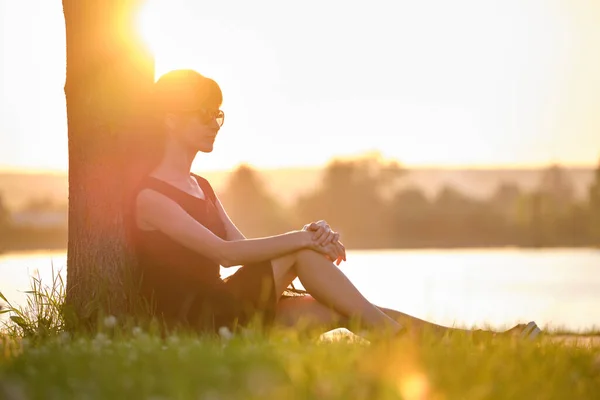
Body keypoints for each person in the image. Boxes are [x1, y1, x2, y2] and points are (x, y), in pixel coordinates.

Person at [129, 68, 541, 341]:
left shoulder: (200, 185)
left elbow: (244, 251)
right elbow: (224, 254)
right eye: (201, 113)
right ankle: (407, 346)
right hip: (195, 322)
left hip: (229, 309)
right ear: (169, 118)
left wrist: (304, 237)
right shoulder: (151, 196)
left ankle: (478, 342)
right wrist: (304, 240)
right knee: (310, 261)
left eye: (216, 114)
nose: (212, 123)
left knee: (355, 311)